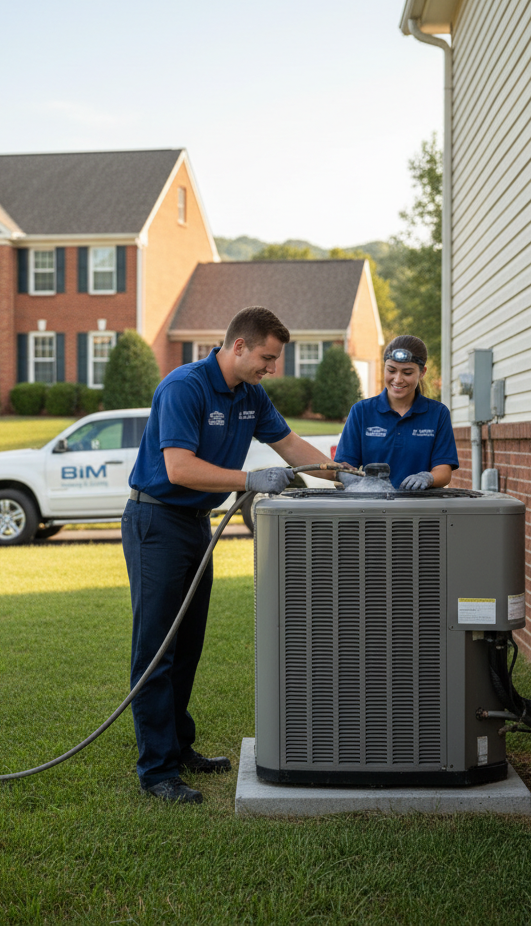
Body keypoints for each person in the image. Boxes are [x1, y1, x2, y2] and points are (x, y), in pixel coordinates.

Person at [122, 306, 341, 804]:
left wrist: (348, 476)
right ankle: (156, 772)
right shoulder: (185, 387)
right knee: (158, 648)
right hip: (156, 522)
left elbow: (289, 445)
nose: (272, 367)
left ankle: (178, 748)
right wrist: (248, 480)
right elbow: (178, 468)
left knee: (189, 646)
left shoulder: (251, 395)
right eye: (267, 357)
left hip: (196, 526)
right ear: (238, 346)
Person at [335, 334, 458, 490]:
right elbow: (345, 465)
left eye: (407, 373)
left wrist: (428, 478)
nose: (398, 379)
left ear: (422, 372)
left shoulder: (438, 414)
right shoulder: (361, 411)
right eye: (391, 370)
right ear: (384, 367)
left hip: (421, 509)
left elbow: (444, 471)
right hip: (373, 508)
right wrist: (347, 477)